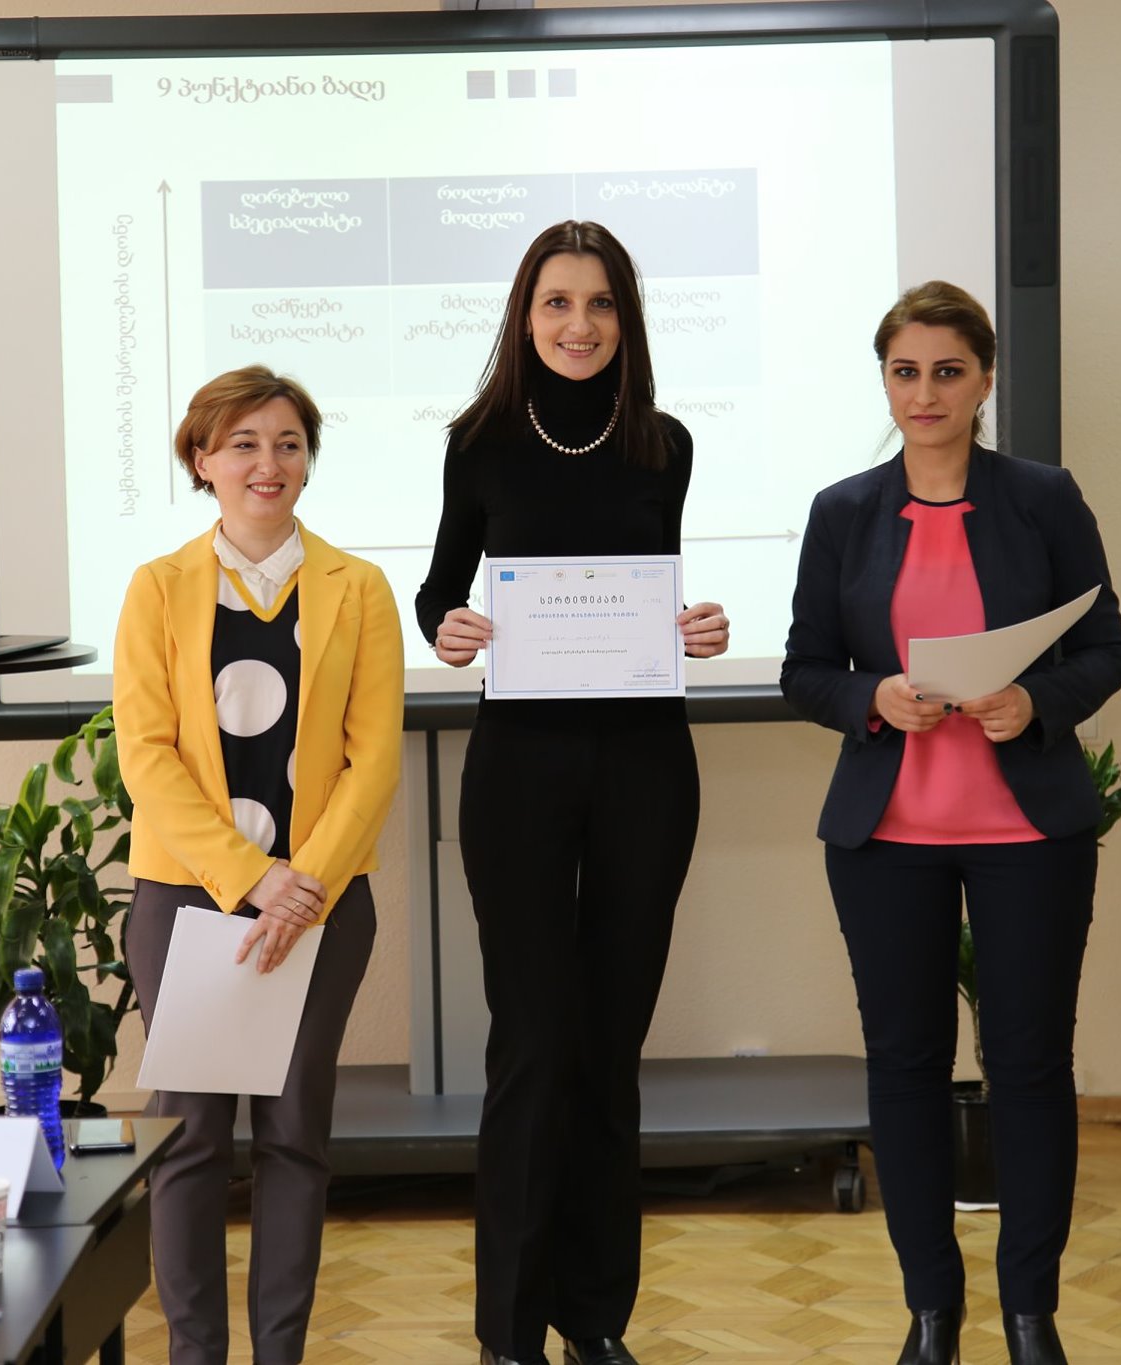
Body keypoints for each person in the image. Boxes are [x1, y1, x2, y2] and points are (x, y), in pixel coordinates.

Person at [780, 282, 1121, 1365]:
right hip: (885, 837)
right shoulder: (843, 510)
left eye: (946, 371)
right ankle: (931, 1311)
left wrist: (1037, 700)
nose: (923, 393)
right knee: (904, 1068)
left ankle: (1030, 1315)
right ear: (883, 381)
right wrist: (870, 697)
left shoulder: (1041, 497)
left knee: (1029, 1069)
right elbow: (804, 668)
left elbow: (1105, 647)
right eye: (904, 371)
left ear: (983, 380)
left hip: (1028, 832)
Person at [415, 221, 730, 1365]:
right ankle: (509, 1334)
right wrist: (447, 628)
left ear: (624, 319)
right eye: (556, 302)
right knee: (533, 1046)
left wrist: (696, 628)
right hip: (518, 772)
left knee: (608, 1049)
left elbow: (656, 590)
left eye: (598, 303)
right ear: (524, 314)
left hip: (645, 766)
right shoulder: (478, 443)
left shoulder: (664, 444)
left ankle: (593, 1320)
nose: (577, 324)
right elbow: (440, 590)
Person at [115, 365, 404, 1365]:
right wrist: (252, 878)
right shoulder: (158, 588)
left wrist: (299, 888)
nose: (266, 462)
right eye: (242, 443)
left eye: (287, 443)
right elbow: (146, 755)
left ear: (308, 461)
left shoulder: (358, 589)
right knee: (190, 1140)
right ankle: (196, 1355)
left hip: (323, 903)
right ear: (203, 460)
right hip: (187, 900)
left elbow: (374, 759)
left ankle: (279, 1354)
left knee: (294, 1137)